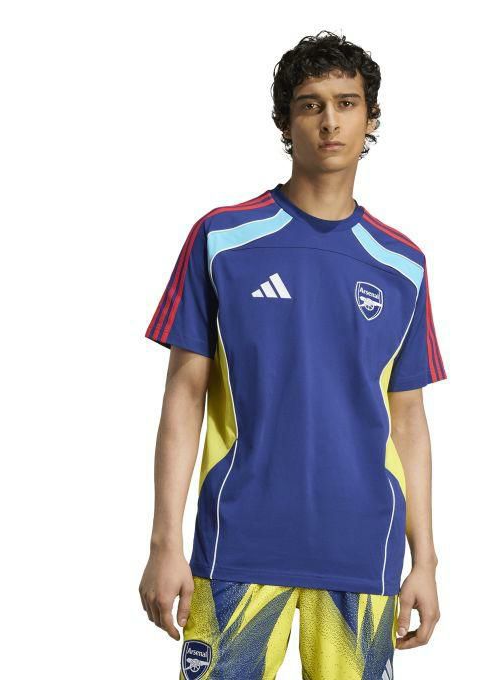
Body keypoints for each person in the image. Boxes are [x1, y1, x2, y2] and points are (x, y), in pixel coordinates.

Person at [139, 30, 447, 680]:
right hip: (238, 547)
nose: (330, 121)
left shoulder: (403, 265)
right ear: (285, 122)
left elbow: (409, 420)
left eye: (346, 103)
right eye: (311, 105)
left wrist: (425, 560)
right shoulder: (223, 239)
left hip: (363, 553)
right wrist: (165, 540)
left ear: (370, 118)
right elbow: (183, 395)